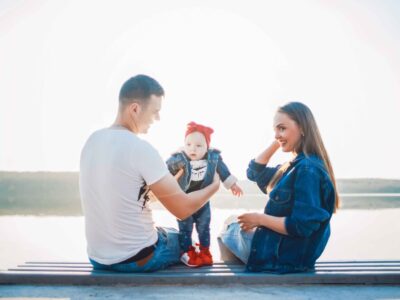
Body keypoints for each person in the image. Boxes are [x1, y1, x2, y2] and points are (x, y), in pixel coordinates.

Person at [79, 74, 220, 273]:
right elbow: (183, 210)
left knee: (164, 231)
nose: (158, 118)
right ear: (135, 109)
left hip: (98, 258)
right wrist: (214, 186)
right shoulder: (140, 148)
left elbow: (122, 196)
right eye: (155, 111)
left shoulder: (92, 141)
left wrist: (158, 189)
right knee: (182, 237)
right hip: (139, 259)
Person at [219, 101, 339, 273]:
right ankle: (244, 276)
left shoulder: (307, 169)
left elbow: (301, 226)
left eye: (282, 128)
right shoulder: (293, 166)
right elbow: (254, 172)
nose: (276, 134)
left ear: (303, 128)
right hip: (288, 255)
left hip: (283, 258)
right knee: (232, 222)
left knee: (229, 227)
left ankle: (238, 282)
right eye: (275, 130)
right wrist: (279, 139)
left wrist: (259, 219)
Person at [166, 121, 243, 267]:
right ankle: (187, 251)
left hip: (203, 202)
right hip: (184, 201)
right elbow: (164, 170)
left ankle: (205, 250)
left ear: (207, 146)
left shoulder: (213, 158)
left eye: (198, 145)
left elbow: (223, 171)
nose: (192, 149)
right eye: (188, 144)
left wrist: (232, 184)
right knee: (185, 228)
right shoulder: (178, 158)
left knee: (204, 227)